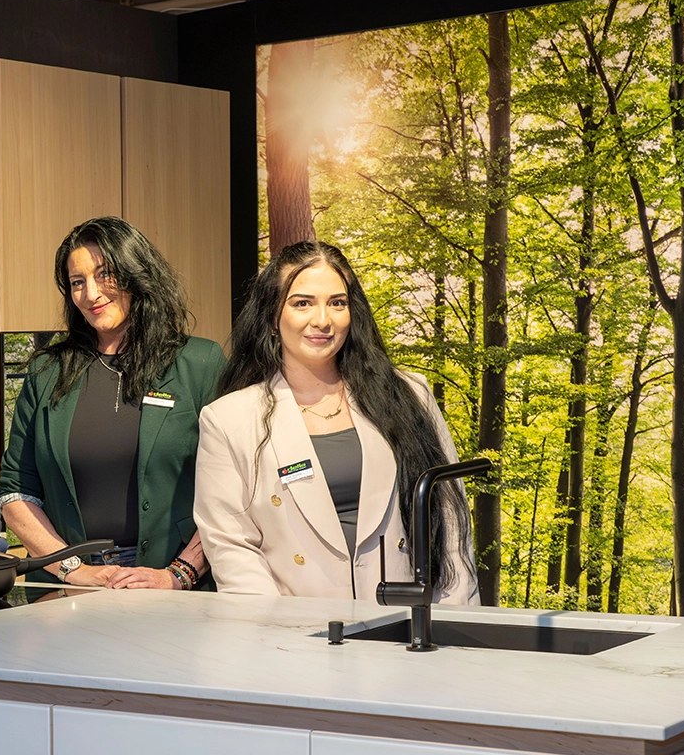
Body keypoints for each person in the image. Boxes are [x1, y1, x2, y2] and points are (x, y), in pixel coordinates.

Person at [194, 240, 479, 602]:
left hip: (406, 621)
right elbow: (231, 545)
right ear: (271, 317)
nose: (323, 320)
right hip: (294, 627)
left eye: (337, 303)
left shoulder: (409, 394)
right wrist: (274, 628)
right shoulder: (229, 419)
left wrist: (452, 619)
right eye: (302, 303)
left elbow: (451, 523)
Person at [0, 217, 226, 590]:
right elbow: (15, 490)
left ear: (137, 273)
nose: (91, 294)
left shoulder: (199, 363)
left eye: (105, 274)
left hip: (177, 585)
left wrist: (178, 574)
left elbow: (232, 489)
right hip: (69, 588)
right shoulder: (46, 372)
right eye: (77, 282)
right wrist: (73, 569)